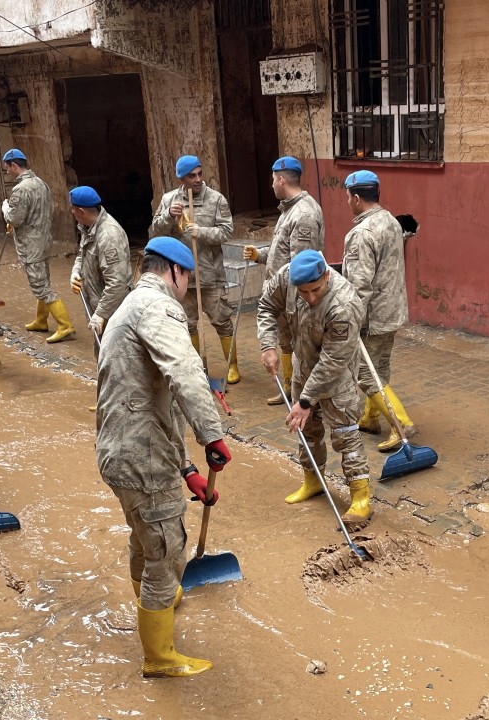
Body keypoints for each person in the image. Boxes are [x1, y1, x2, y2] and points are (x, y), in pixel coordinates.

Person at [96, 236, 231, 678]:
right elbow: (185, 372)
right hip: (142, 456)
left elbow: (156, 402)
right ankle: (159, 657)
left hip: (122, 452)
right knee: (166, 550)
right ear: (175, 271)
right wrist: (212, 435)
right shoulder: (159, 307)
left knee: (145, 537)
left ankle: (156, 602)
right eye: (187, 279)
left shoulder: (127, 307)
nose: (187, 288)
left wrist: (187, 468)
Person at [257, 250, 373, 530]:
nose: (310, 298)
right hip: (303, 366)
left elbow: (333, 361)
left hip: (336, 376)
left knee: (345, 433)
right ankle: (313, 481)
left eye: (316, 290)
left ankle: (361, 497)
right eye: (303, 292)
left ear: (326, 275)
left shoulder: (344, 305)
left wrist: (306, 401)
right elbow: (266, 306)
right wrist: (268, 345)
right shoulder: (286, 277)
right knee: (306, 430)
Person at [341, 170, 413, 453]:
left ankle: (401, 423)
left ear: (357, 198)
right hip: (392, 310)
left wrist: (350, 319)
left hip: (371, 317)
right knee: (379, 367)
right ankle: (371, 417)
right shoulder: (391, 221)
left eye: (348, 197)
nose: (348, 201)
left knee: (366, 374)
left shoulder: (362, 233)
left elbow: (359, 285)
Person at [148, 155, 237, 382]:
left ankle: (232, 366)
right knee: (187, 323)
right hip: (181, 276)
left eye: (199, 174)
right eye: (191, 176)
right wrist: (168, 216)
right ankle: (197, 366)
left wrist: (202, 232)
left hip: (210, 273)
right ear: (181, 179)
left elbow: (227, 232)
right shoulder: (169, 200)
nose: (197, 180)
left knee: (222, 321)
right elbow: (154, 233)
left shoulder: (216, 200)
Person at [243, 156, 324, 406]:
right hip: (282, 295)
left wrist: (291, 307)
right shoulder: (289, 209)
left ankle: (303, 396)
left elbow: (300, 267)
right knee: (286, 343)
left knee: (300, 349)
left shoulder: (304, 214)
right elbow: (282, 251)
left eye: (272, 180)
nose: (271, 185)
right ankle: (289, 389)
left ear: (281, 179)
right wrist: (260, 255)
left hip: (294, 298)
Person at [2, 148, 74, 343]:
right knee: (44, 281)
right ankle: (41, 321)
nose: (7, 171)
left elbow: (15, 219)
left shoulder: (20, 189)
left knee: (40, 286)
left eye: (7, 167)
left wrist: (5, 208)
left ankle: (65, 325)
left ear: (14, 165)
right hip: (43, 241)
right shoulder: (41, 183)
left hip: (30, 245)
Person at [70, 185, 131, 338]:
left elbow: (117, 283)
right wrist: (76, 271)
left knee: (114, 351)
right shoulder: (88, 227)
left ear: (81, 211)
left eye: (73, 209)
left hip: (114, 311)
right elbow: (82, 253)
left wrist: (101, 314)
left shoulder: (108, 237)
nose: (71, 212)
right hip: (98, 304)